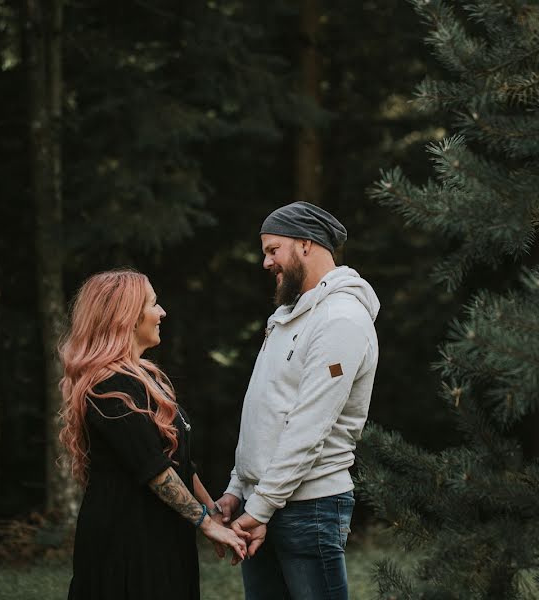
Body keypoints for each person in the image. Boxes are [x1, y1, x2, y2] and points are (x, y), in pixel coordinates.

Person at [213, 202, 381, 599]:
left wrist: (261, 507)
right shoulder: (289, 317)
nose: (266, 262)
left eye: (273, 250)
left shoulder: (340, 318)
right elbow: (266, 411)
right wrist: (239, 489)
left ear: (306, 244)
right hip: (262, 503)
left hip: (310, 507)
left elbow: (309, 426)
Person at [59, 269, 248, 600]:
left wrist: (213, 512)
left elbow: (179, 464)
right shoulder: (109, 386)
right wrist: (206, 525)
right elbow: (154, 469)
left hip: (163, 530)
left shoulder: (147, 379)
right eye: (153, 304)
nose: (162, 313)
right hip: (126, 538)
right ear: (127, 318)